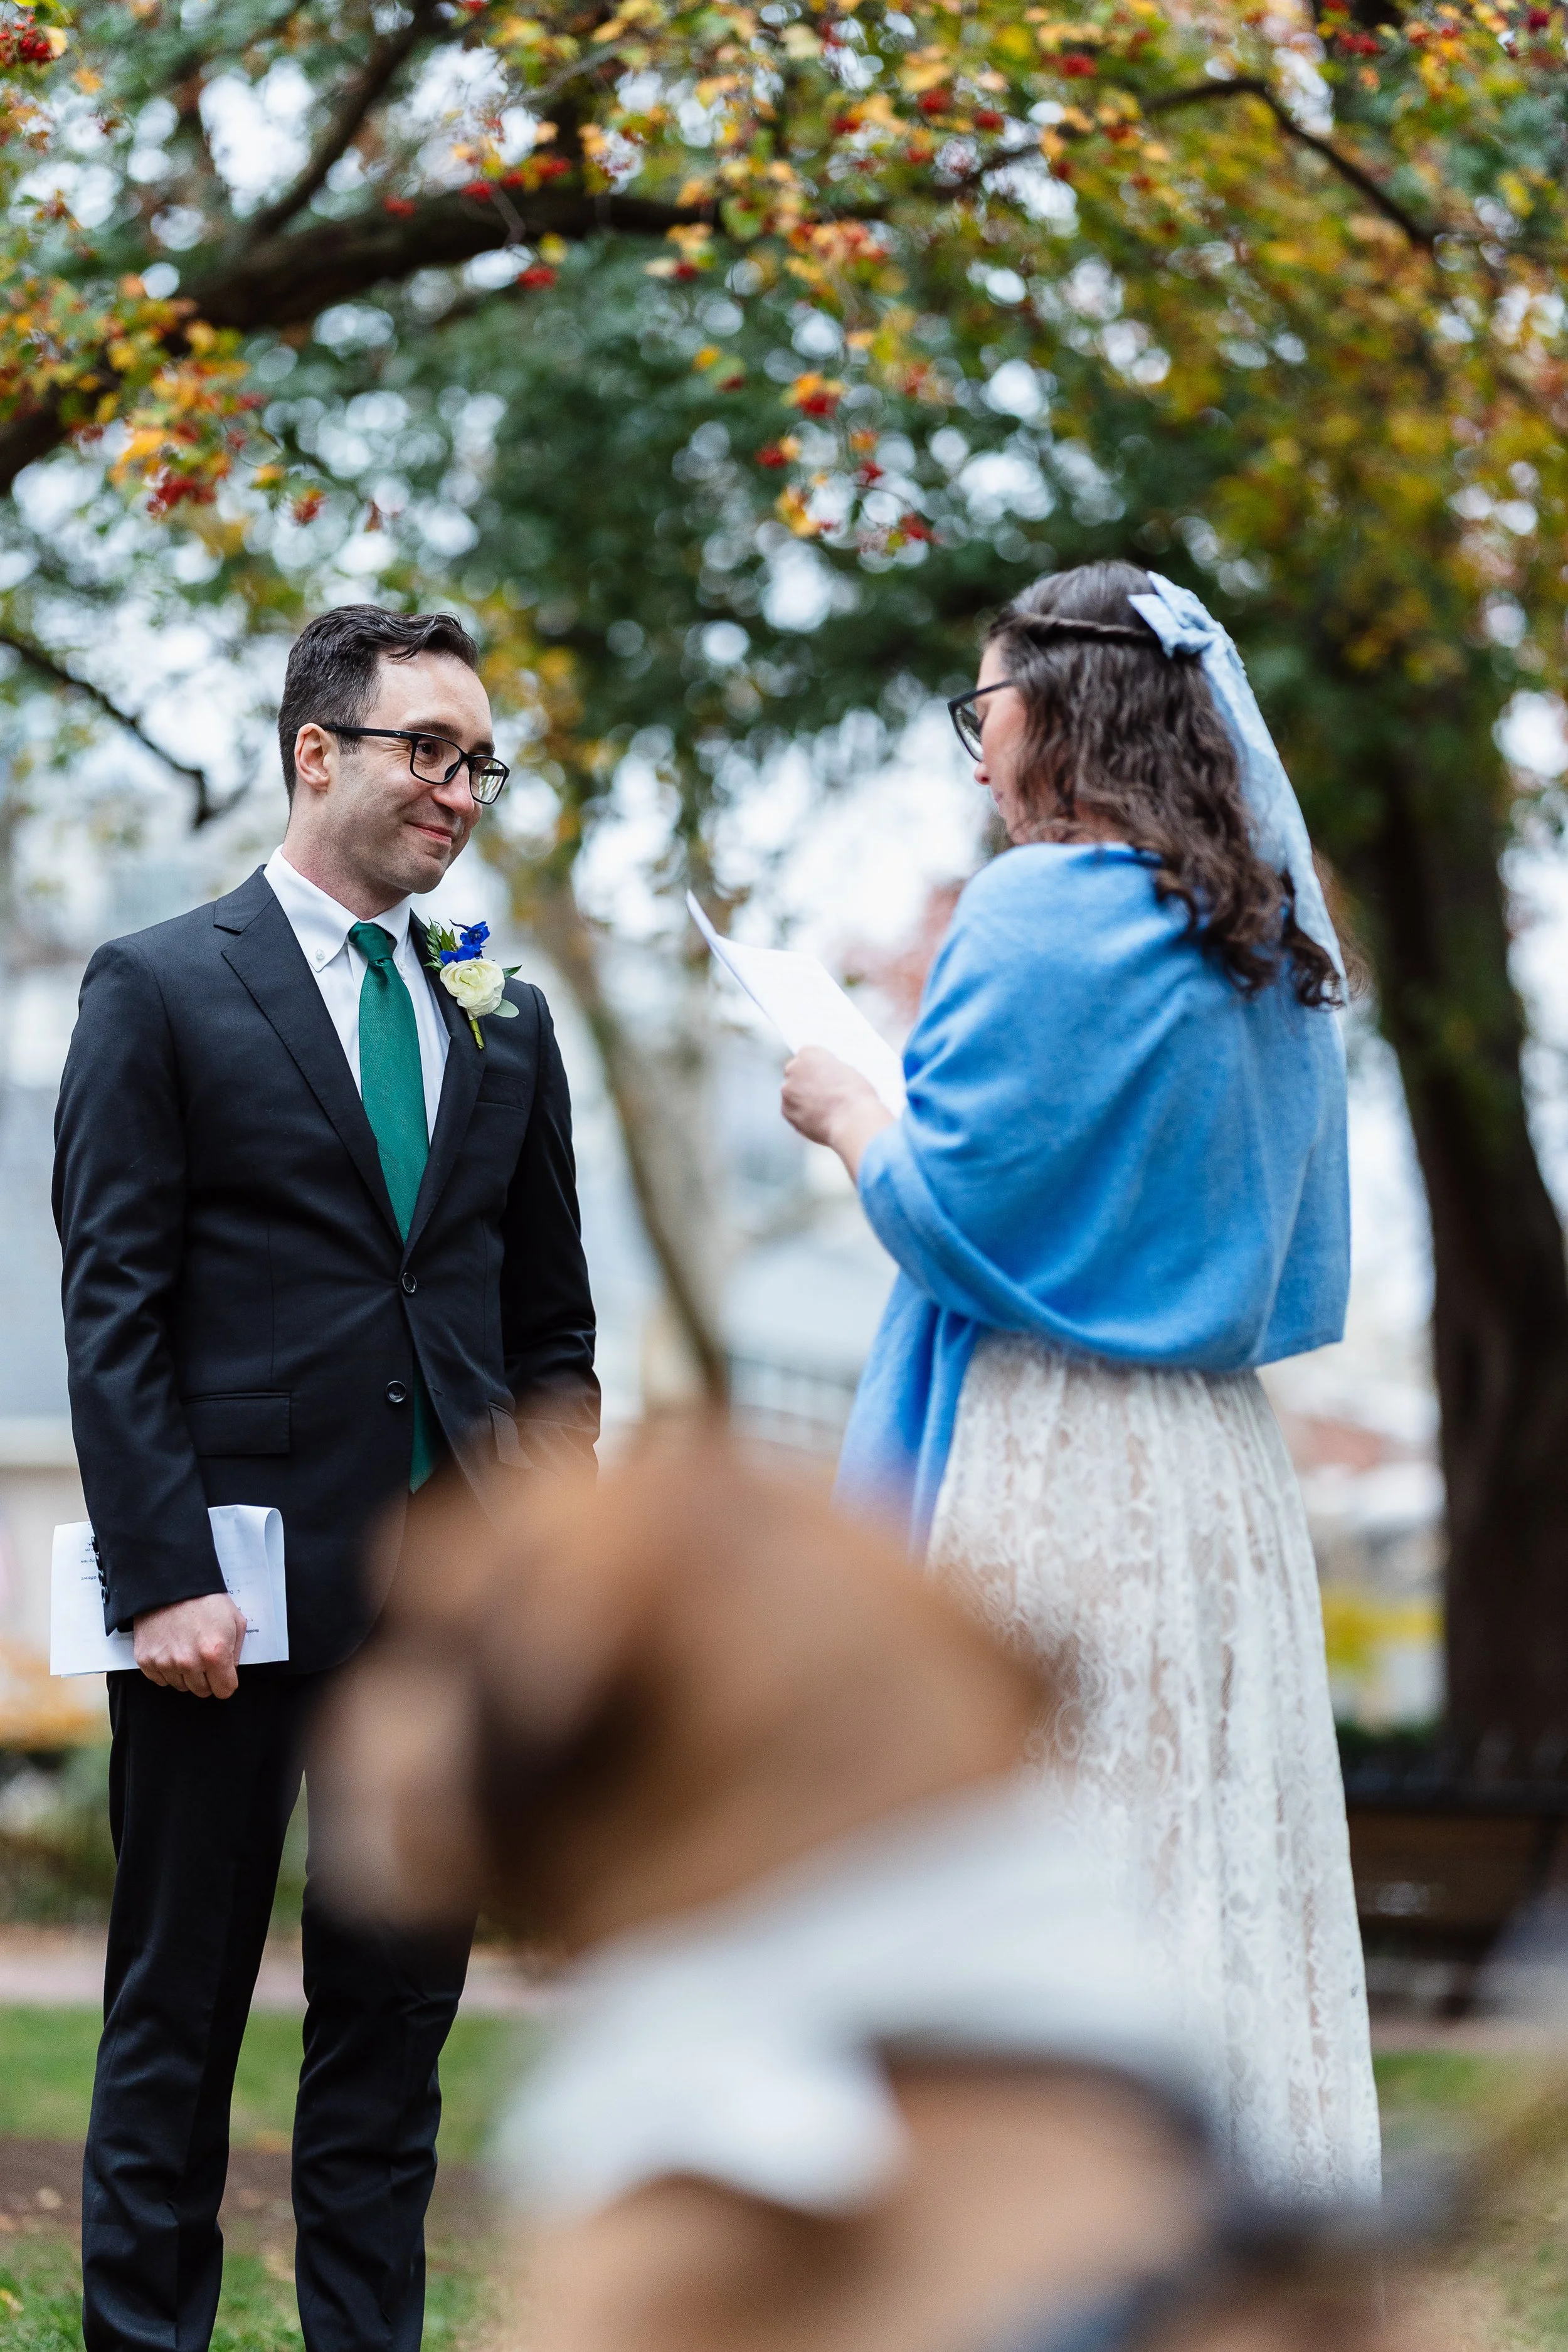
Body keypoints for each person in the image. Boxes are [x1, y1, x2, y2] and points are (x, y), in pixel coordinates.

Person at [780, 561, 1379, 2204]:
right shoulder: (1264, 930)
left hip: (1043, 1444)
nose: (972, 750)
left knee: (1044, 1846)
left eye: (978, 710)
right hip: (1214, 1464)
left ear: (1051, 708)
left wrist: (848, 1107)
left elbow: (953, 1209)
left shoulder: (1028, 908)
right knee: (1216, 1845)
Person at [52, 604, 599, 2352]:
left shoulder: (502, 1011)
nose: (458, 788)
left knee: (392, 2025)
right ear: (317, 751)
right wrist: (159, 1575)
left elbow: (552, 1330)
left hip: (441, 1608)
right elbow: (113, 1306)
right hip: (224, 1598)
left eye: (476, 760)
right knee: (176, 2013)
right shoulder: (156, 984)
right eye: (425, 749)